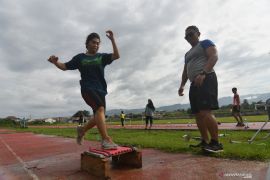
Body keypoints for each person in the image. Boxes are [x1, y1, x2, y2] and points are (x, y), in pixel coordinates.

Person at [48, 30, 120, 149]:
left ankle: (82, 130)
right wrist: (55, 62)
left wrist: (112, 40)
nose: (96, 45)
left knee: (99, 116)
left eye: (98, 43)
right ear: (86, 44)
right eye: (93, 42)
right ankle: (106, 140)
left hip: (101, 90)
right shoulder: (80, 58)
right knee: (100, 109)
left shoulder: (101, 57)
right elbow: (65, 67)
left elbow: (116, 56)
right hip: (87, 88)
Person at [178, 25, 223, 153]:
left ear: (198, 33)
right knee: (198, 114)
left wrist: (203, 73)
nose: (188, 37)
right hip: (194, 83)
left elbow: (214, 56)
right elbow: (185, 71)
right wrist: (182, 85)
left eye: (191, 34)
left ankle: (216, 143)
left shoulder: (205, 43)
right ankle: (205, 141)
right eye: (186, 36)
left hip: (206, 78)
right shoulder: (187, 54)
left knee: (205, 111)